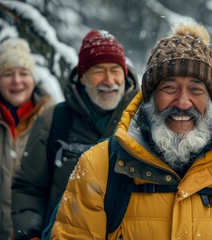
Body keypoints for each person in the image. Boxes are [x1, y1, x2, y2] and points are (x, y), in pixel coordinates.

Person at [50, 23, 212, 239]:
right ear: (150, 97)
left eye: (196, 89)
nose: (183, 103)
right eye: (169, 87)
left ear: (211, 100)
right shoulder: (98, 166)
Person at [11, 29, 139, 240]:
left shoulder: (141, 121)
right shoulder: (54, 120)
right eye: (98, 70)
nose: (109, 80)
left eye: (115, 70)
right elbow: (28, 188)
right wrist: (30, 234)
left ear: (125, 75)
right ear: (82, 77)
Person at [0, 38, 51, 239]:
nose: (17, 81)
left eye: (24, 73)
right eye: (8, 74)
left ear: (33, 80)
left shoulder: (51, 118)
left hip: (32, 234)